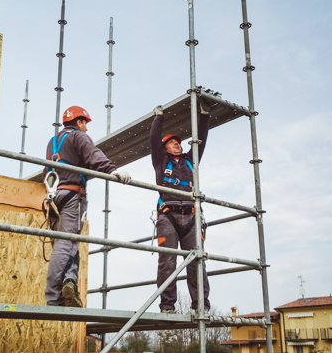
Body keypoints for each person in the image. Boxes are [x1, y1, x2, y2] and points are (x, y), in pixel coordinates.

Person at [43, 105, 131, 307]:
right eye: (85, 124)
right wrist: (112, 170)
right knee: (66, 244)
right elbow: (93, 155)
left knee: (69, 243)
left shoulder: (53, 142)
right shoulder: (78, 137)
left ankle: (69, 281)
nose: (86, 129)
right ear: (79, 121)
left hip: (54, 195)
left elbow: (46, 170)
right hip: (73, 194)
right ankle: (53, 297)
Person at [150, 99, 211, 314]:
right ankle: (167, 306)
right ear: (165, 147)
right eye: (172, 142)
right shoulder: (160, 160)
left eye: (179, 142)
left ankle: (201, 305)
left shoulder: (189, 160)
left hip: (191, 217)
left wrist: (203, 116)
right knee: (167, 262)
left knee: (197, 262)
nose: (178, 143)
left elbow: (200, 140)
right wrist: (158, 117)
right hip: (168, 216)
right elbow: (154, 139)